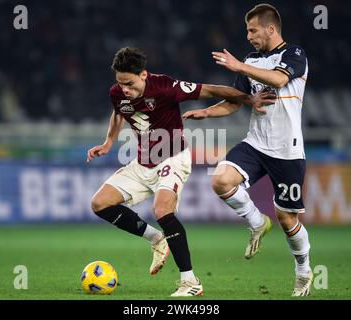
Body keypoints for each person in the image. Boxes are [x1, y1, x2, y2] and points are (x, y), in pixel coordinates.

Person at [87, 47, 276, 297]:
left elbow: (211, 89)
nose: (125, 90)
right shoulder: (117, 92)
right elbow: (118, 112)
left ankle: (190, 282)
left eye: (130, 84)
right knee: (99, 203)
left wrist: (248, 99)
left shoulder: (165, 87)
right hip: (143, 164)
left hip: (173, 159)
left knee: (162, 210)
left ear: (144, 75)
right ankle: (156, 239)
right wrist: (109, 142)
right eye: (121, 84)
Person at [183, 3, 313, 296]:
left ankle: (303, 269)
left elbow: (280, 79)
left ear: (270, 29)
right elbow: (235, 101)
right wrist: (207, 113)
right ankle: (256, 221)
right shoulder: (251, 59)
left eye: (253, 30)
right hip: (255, 143)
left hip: (287, 149)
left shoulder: (294, 54)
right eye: (247, 31)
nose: (249, 36)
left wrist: (238, 66)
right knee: (220, 180)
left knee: (287, 219)